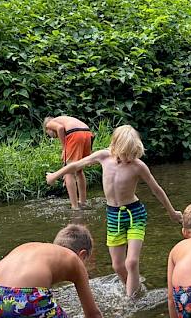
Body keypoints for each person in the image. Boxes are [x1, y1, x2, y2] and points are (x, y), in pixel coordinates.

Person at [47, 124, 182, 298]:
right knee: (118, 266)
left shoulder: (138, 166)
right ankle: (135, 290)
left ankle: (130, 302)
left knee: (131, 262)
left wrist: (171, 212)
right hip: (114, 216)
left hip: (135, 214)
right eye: (126, 154)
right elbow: (76, 165)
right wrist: (54, 175)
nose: (129, 159)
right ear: (115, 147)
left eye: (132, 155)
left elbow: (156, 189)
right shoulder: (103, 156)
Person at [0, 224, 102, 318]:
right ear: (82, 254)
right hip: (26, 297)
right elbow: (93, 314)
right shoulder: (74, 259)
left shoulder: (33, 248)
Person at [44, 116, 94, 210]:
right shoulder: (64, 120)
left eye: (49, 134)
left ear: (47, 129)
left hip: (75, 133)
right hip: (87, 132)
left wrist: (64, 148)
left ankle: (74, 206)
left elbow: (60, 128)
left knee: (69, 173)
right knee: (79, 169)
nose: (53, 137)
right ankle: (82, 202)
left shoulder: (49, 123)